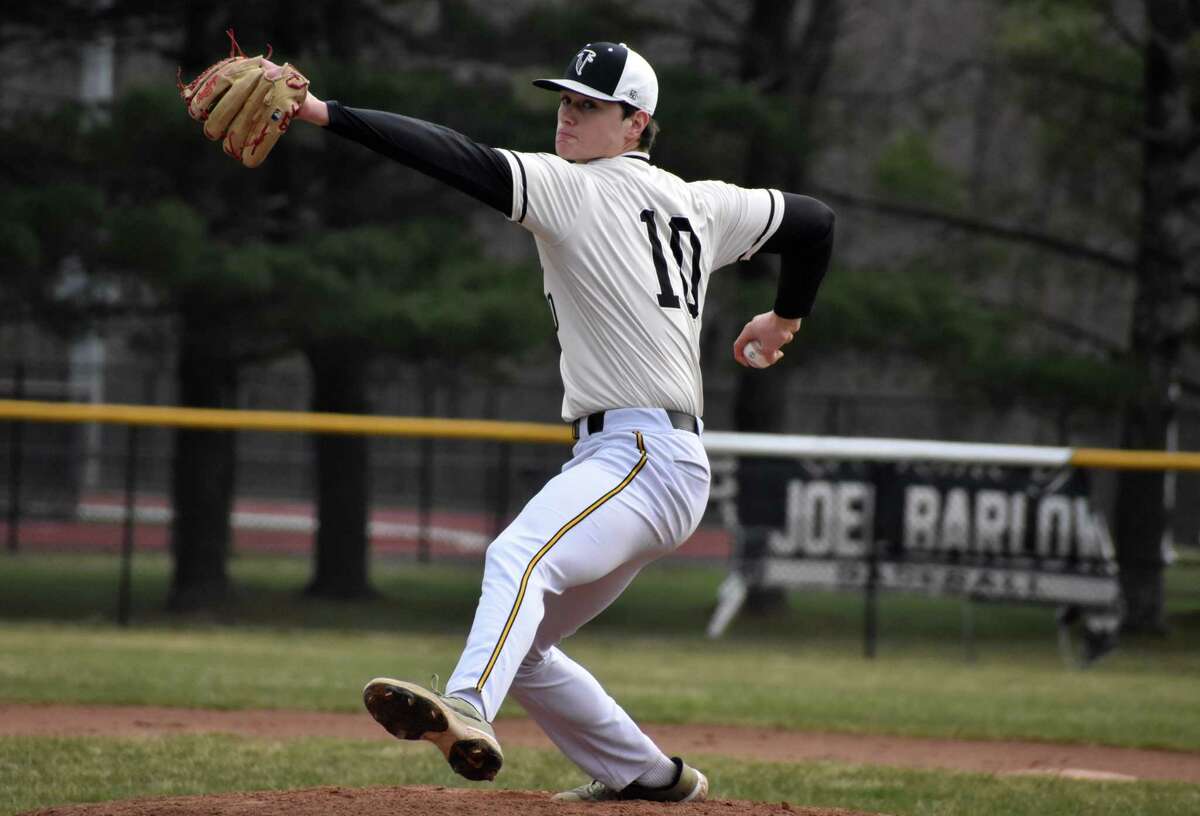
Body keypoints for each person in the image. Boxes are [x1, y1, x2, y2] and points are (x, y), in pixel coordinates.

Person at [289, 41, 834, 803]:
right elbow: (813, 223)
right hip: (644, 459)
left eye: (589, 105)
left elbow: (456, 158)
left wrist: (324, 113)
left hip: (642, 455)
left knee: (517, 558)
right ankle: (649, 775)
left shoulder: (575, 190)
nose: (568, 114)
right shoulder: (701, 203)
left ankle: (469, 704)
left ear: (636, 122)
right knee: (533, 643)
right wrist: (784, 319)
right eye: (565, 100)